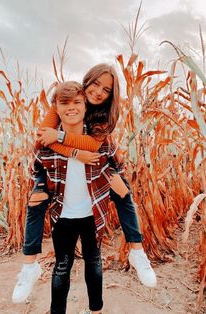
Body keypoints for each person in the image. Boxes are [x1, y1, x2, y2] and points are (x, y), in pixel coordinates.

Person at [12, 64, 156, 304]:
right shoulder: (69, 99)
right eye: (96, 84)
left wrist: (115, 178)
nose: (99, 92)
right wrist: (74, 153)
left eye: (106, 90)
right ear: (86, 83)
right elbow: (43, 138)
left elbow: (96, 147)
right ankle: (29, 267)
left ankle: (137, 252)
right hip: (63, 205)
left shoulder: (103, 121)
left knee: (124, 193)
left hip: (94, 195)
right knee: (35, 202)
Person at [36, 81, 123, 313]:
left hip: (93, 214)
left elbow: (120, 168)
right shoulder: (46, 143)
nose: (71, 108)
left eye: (77, 102)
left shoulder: (99, 140)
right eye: (64, 103)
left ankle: (96, 310)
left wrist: (113, 182)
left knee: (94, 261)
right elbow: (36, 173)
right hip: (62, 215)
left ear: (86, 106)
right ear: (56, 107)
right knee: (62, 266)